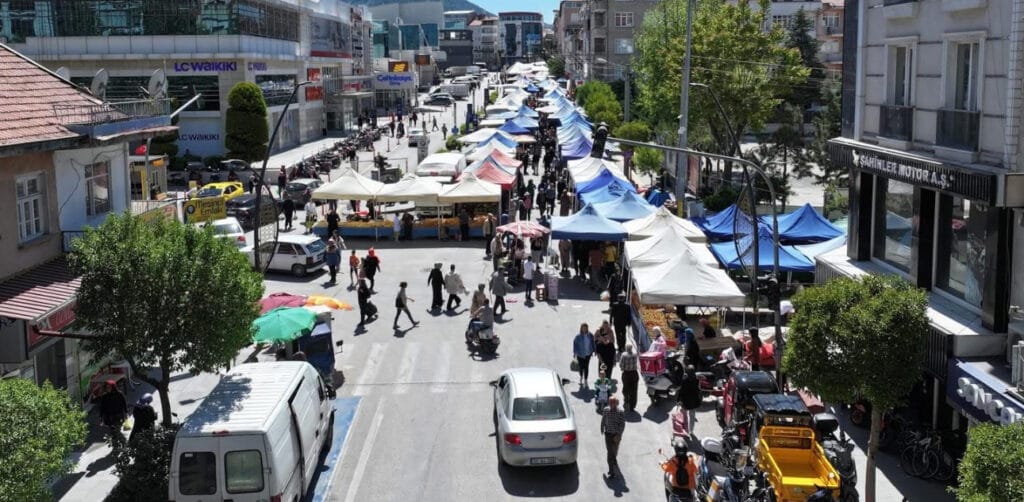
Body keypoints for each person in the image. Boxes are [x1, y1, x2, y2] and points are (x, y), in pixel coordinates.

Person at [600, 396, 626, 479]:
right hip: (608, 434)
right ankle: (611, 471)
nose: (611, 404)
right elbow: (603, 419)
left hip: (616, 436)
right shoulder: (606, 410)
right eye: (610, 402)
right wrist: (601, 427)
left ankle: (614, 459)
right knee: (609, 452)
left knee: (614, 450)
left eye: (613, 402)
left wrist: (619, 435)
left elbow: (622, 424)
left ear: (616, 403)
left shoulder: (620, 412)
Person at [97, 380, 128, 448]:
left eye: (109, 387)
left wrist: (126, 413)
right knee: (112, 432)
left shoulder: (119, 394)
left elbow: (124, 404)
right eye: (107, 387)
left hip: (118, 416)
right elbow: (102, 407)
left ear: (113, 387)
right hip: (109, 418)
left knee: (116, 431)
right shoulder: (105, 396)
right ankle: (115, 446)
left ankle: (124, 442)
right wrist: (101, 417)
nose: (108, 389)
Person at [678, 365, 702, 431]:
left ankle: (686, 430)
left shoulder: (684, 381)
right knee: (692, 417)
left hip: (685, 402)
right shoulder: (697, 380)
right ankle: (691, 431)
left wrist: (679, 400)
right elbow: (699, 390)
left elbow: (681, 391)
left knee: (684, 416)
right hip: (694, 402)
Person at [619, 345, 639, 412]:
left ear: (626, 348)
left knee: (626, 389)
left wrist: (623, 368)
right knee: (634, 390)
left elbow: (621, 365)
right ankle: (632, 405)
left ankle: (626, 402)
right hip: (634, 374)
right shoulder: (635, 354)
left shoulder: (624, 355)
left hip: (626, 374)